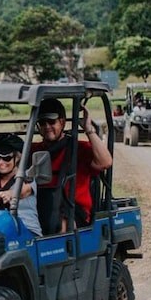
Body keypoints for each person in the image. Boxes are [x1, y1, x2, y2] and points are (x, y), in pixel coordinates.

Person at [31, 98, 113, 233]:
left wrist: (88, 130)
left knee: (56, 229)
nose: (47, 126)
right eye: (42, 122)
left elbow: (105, 162)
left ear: (62, 122)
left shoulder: (78, 148)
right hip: (40, 207)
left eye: (51, 122)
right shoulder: (35, 150)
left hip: (72, 210)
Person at [0, 134, 41, 238]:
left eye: (6, 158)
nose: (1, 162)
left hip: (27, 231)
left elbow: (24, 191)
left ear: (18, 157)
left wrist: (9, 194)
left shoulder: (28, 177)